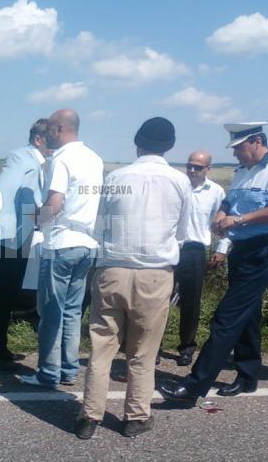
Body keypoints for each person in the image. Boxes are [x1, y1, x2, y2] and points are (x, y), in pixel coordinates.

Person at [160, 121, 268, 401]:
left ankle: (194, 385)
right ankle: (248, 376)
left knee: (226, 317)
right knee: (248, 313)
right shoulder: (242, 171)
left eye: (239, 147)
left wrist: (239, 219)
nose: (235, 153)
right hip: (243, 246)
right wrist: (222, 214)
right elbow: (231, 202)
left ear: (257, 141)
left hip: (266, 246)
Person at [75, 117, 191, 440]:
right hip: (155, 274)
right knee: (143, 351)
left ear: (137, 143)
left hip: (111, 271)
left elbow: (100, 226)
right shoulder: (180, 182)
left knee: (101, 347)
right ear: (169, 147)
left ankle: (89, 417)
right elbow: (181, 233)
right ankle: (136, 417)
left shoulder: (115, 178)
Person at [19, 108, 103, 389]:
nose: (46, 135)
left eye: (50, 130)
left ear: (59, 130)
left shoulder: (62, 159)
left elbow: (55, 203)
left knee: (50, 312)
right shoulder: (94, 159)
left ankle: (48, 374)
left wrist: (34, 222)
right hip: (87, 244)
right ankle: (69, 369)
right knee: (72, 311)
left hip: (61, 243)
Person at [0, 118, 49, 372]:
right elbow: (5, 189)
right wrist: (8, 231)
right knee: (1, 296)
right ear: (38, 139)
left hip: (20, 236)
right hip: (8, 238)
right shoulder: (21, 157)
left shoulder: (39, 163)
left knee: (7, 296)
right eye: (50, 140)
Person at [167, 151, 230, 367]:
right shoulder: (176, 185)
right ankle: (152, 346)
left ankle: (186, 347)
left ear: (208, 169)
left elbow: (222, 224)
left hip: (194, 249)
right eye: (190, 166)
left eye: (198, 167)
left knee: (191, 301)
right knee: (159, 300)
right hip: (170, 248)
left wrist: (222, 249)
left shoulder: (216, 192)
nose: (192, 171)